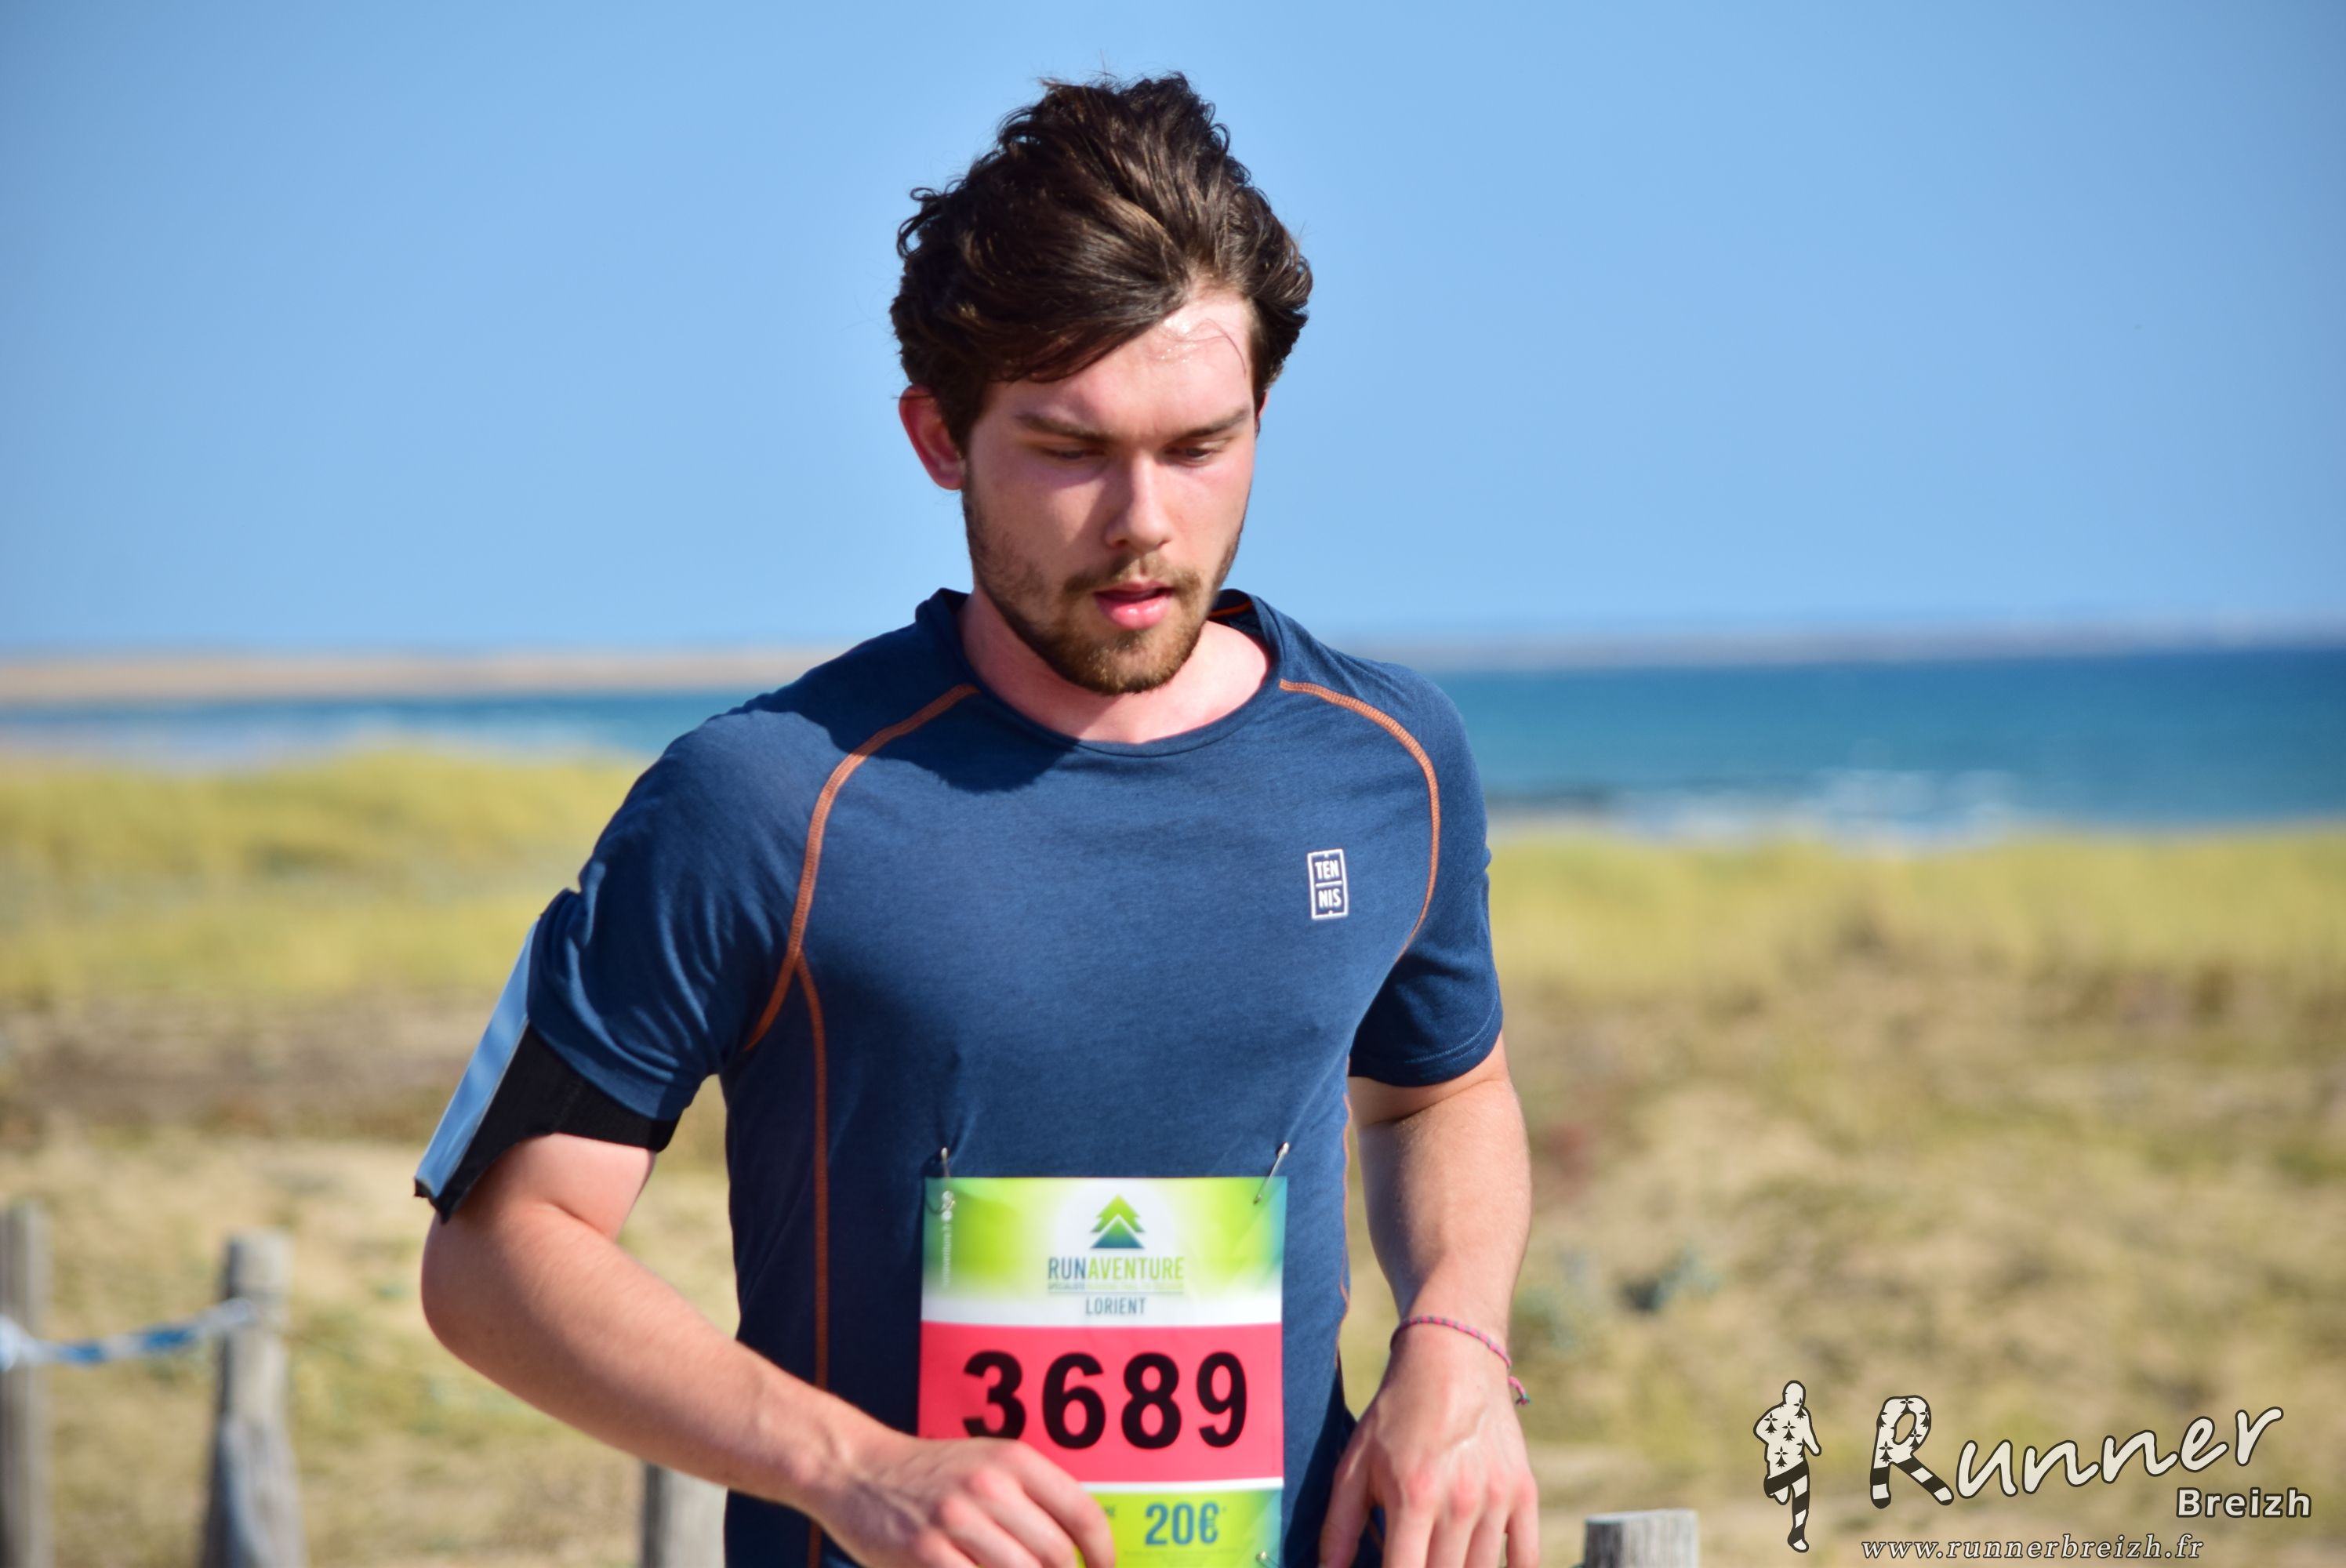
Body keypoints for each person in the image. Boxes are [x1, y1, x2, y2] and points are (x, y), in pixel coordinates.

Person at [415, 72, 1538, 1568]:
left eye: (1200, 447)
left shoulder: (1389, 762)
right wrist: (855, 1471)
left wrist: (1456, 1339)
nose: (1142, 521)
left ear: (1262, 413)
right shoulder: (761, 803)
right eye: (1069, 451)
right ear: (937, 436)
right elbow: (495, 1253)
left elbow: (1441, 1093)